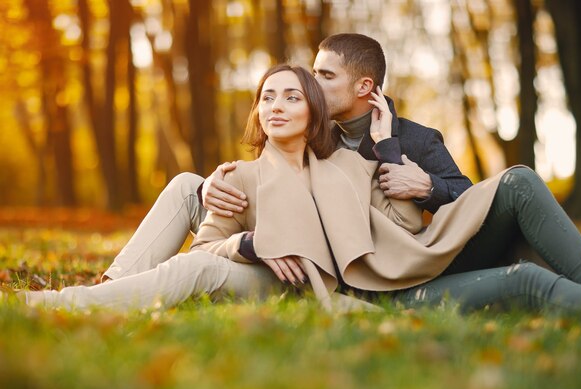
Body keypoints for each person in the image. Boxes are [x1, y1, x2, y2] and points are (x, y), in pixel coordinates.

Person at [7, 64, 581, 318]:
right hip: (282, 283)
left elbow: (408, 233)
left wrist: (384, 149)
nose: (277, 104)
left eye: (293, 93)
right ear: (257, 111)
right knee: (193, 268)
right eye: (267, 95)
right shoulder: (239, 177)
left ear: (315, 110)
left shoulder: (352, 166)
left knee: (531, 284)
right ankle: (68, 307)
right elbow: (212, 247)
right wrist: (248, 244)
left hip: (381, 288)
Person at [98, 32, 473, 288]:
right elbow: (270, 177)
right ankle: (114, 285)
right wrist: (215, 184)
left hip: (343, 258)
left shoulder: (415, 139)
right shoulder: (314, 126)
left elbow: (466, 196)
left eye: (324, 76)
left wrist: (427, 186)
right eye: (312, 74)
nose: (310, 86)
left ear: (364, 87)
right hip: (272, 232)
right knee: (186, 186)